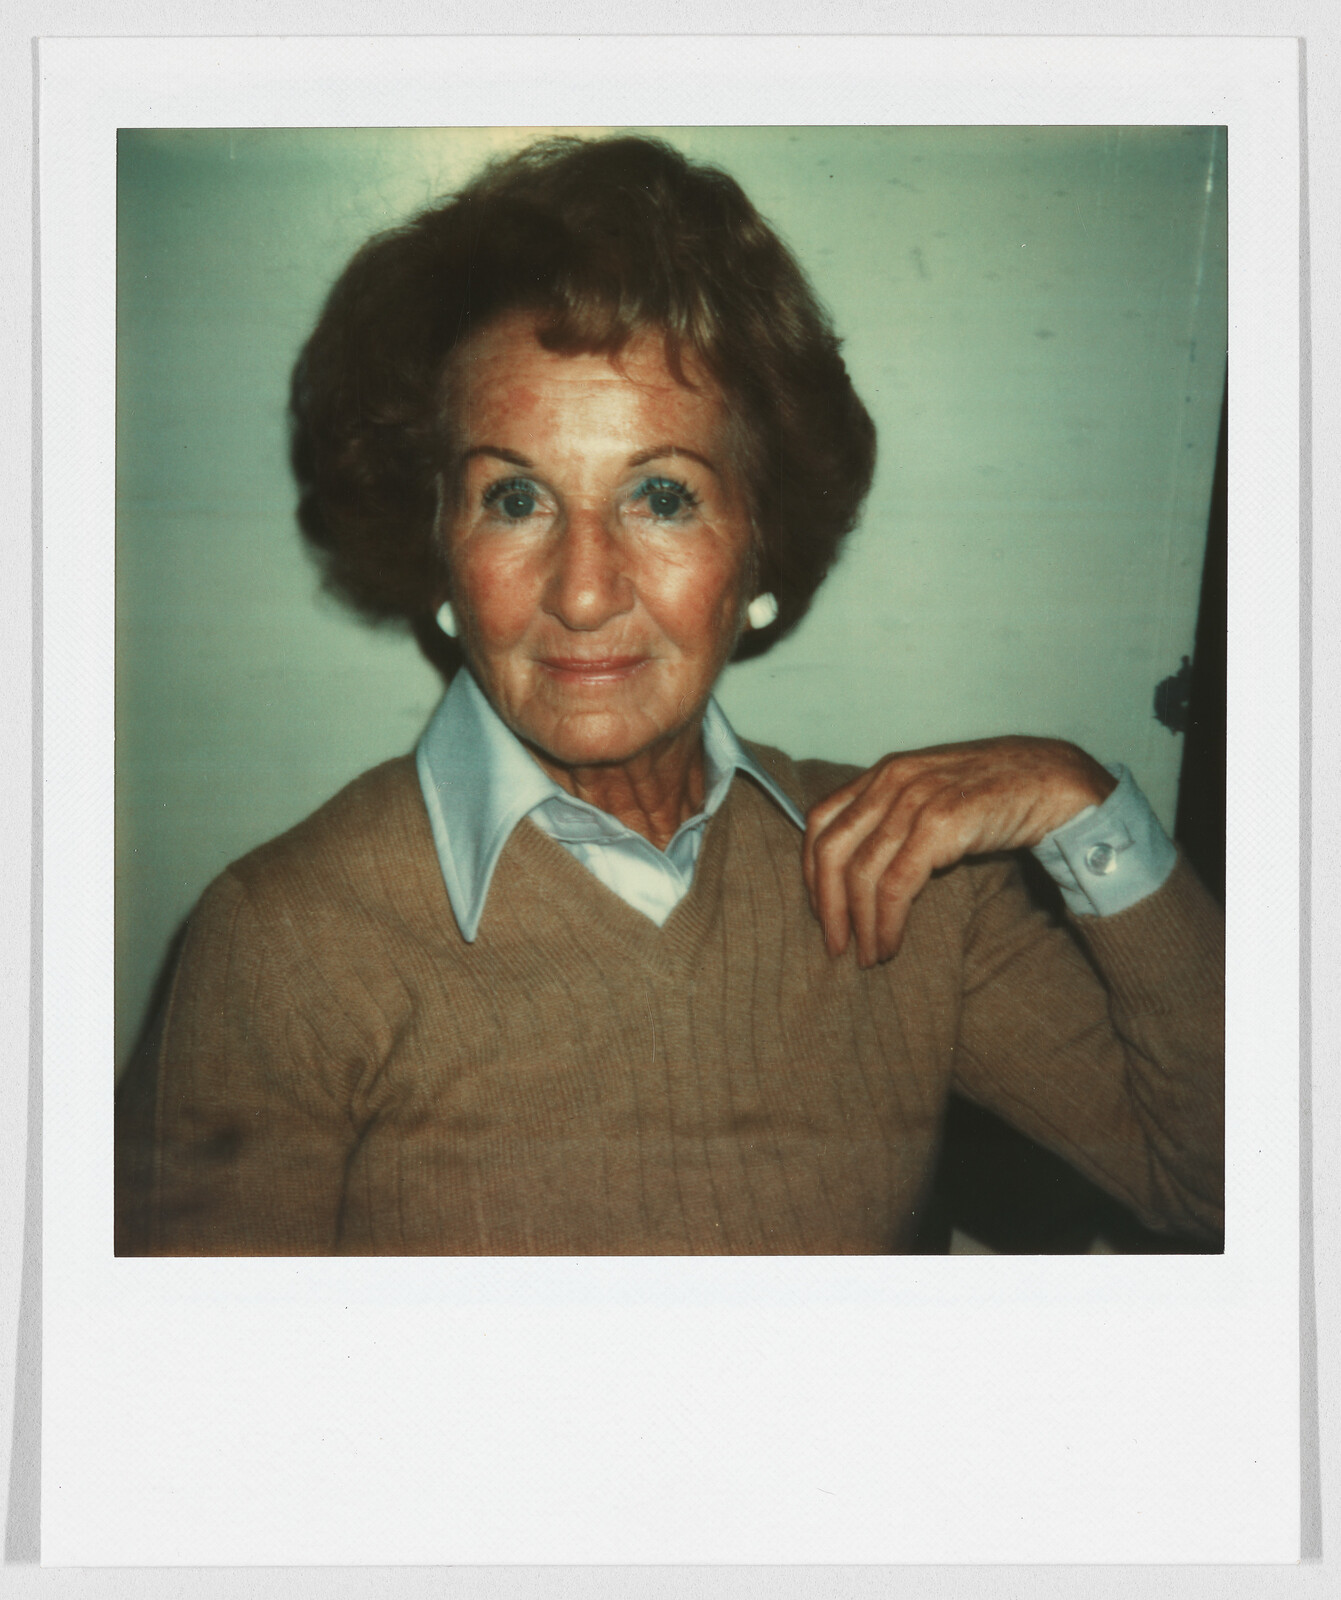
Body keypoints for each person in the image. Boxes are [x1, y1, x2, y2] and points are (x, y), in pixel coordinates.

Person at [114, 134, 1224, 1256]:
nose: (584, 591)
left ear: (759, 541)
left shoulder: (911, 881)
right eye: (514, 500)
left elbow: (1226, 1186)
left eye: (660, 495)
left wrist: (1081, 802)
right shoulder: (286, 944)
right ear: (437, 539)